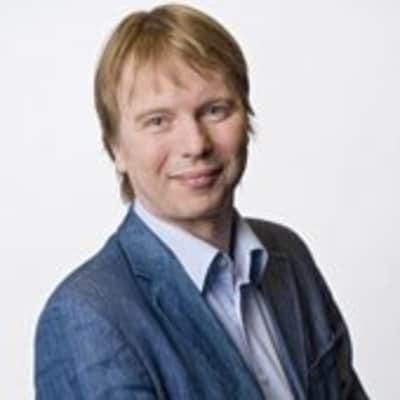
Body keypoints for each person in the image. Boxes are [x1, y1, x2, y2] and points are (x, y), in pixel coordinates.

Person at [34, 4, 368, 399]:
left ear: (247, 117)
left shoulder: (288, 256)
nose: (195, 144)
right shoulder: (87, 317)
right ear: (116, 147)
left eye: (214, 110)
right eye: (158, 121)